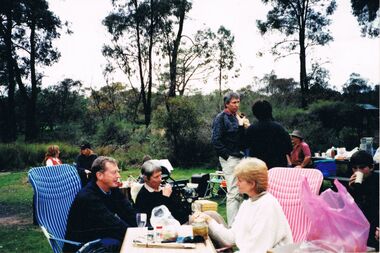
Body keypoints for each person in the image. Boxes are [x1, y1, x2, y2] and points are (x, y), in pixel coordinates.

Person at [191, 158, 293, 253]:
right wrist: (209, 220)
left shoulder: (268, 206)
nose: (236, 184)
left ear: (252, 184)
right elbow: (231, 238)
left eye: (240, 180)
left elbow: (257, 250)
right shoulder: (247, 204)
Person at [63, 156, 137, 252]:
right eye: (114, 172)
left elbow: (128, 212)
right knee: (118, 243)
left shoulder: (113, 190)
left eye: (118, 171)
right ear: (99, 175)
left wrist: (146, 229)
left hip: (100, 235)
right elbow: (112, 223)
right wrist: (135, 235)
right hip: (82, 245)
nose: (118, 176)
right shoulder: (88, 197)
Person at [211, 91, 250, 226]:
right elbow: (215, 140)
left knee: (241, 191)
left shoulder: (239, 117)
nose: (237, 104)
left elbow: (242, 140)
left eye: (238, 101)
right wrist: (226, 156)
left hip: (241, 157)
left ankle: (239, 225)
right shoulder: (221, 118)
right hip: (230, 158)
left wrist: (244, 127)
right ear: (226, 104)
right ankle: (232, 226)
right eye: (234, 102)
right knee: (233, 192)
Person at [134, 160, 188, 225]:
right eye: (156, 177)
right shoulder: (143, 196)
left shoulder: (165, 189)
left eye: (160, 175)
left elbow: (178, 210)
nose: (160, 179)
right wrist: (165, 197)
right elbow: (155, 217)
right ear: (146, 179)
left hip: (177, 225)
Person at [246, 99, 292, 169]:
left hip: (258, 167)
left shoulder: (251, 129)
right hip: (277, 167)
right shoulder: (280, 128)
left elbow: (243, 145)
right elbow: (289, 148)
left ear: (255, 112)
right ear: (270, 111)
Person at [348, 150, 379, 250]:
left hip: (375, 222)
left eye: (362, 167)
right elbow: (351, 208)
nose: (358, 171)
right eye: (355, 168)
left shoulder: (377, 181)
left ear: (371, 167)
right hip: (361, 224)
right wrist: (350, 191)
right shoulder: (354, 183)